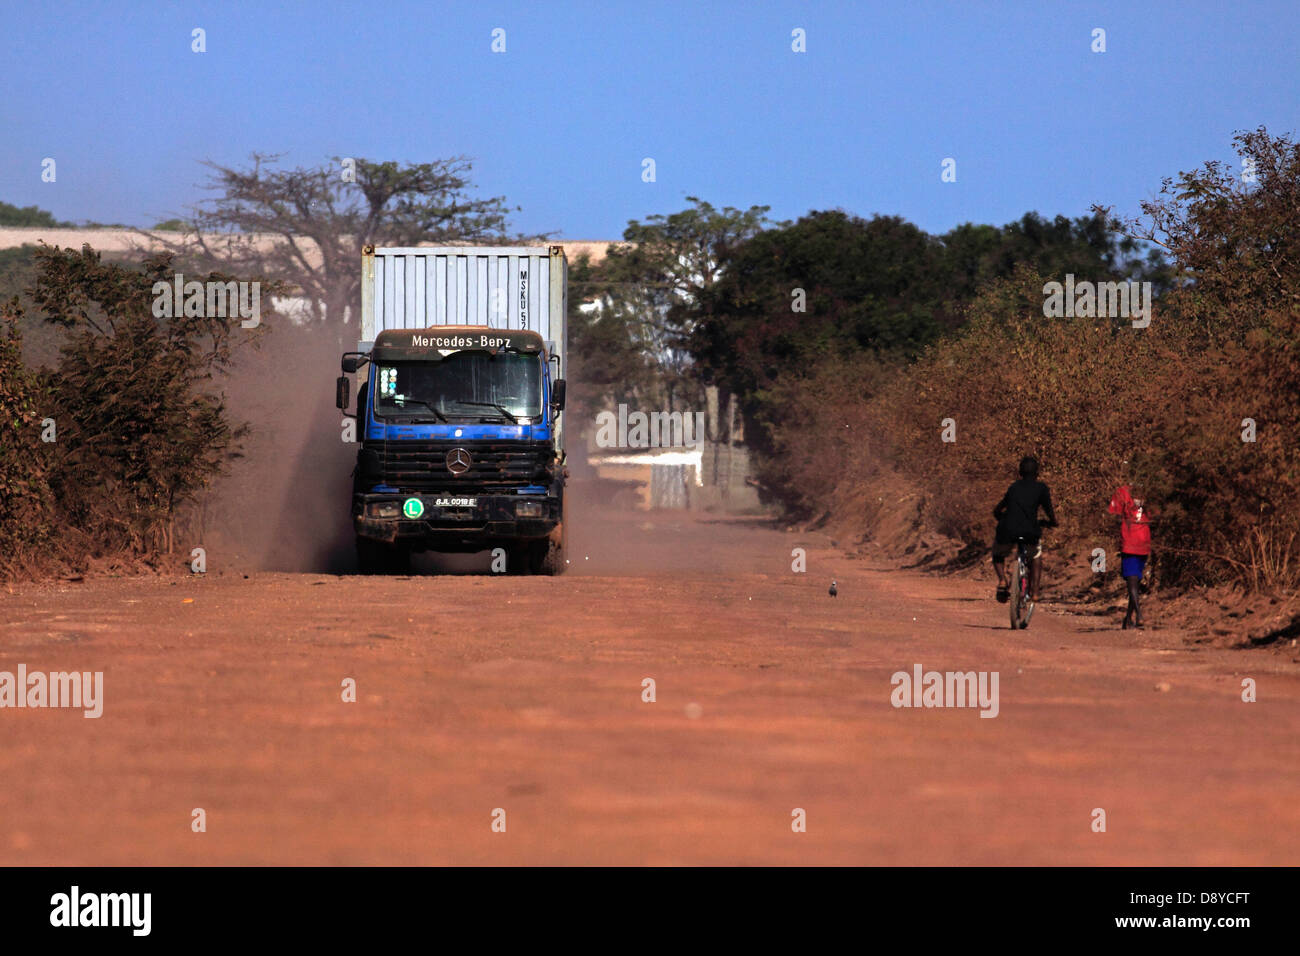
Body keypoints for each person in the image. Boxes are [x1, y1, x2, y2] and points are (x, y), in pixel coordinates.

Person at [992, 457, 1058, 604]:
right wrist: (1053, 522)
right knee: (1035, 556)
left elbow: (998, 509)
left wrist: (1002, 519)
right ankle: (1034, 591)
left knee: (997, 553)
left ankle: (1002, 580)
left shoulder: (1013, 487)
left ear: (1020, 472)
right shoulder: (1041, 488)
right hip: (1030, 531)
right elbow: (1048, 509)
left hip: (1007, 530)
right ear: (1037, 473)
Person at [1108, 483, 1153, 629]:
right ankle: (1128, 619)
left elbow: (1113, 514)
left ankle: (1139, 614)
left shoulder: (1122, 491)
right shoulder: (1152, 490)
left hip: (1130, 541)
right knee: (1135, 581)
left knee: (1132, 581)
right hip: (1144, 540)